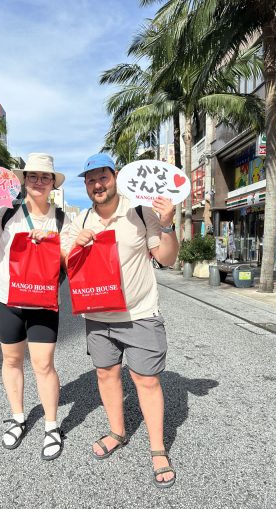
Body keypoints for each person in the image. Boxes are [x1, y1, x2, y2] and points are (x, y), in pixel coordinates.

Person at [68, 153, 179, 488]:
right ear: (85, 185)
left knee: (146, 381)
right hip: (97, 315)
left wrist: (169, 224)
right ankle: (118, 431)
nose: (97, 185)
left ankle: (158, 449)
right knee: (106, 374)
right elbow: (63, 259)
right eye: (90, 180)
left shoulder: (141, 211)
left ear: (115, 176)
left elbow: (167, 259)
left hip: (139, 313)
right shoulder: (81, 219)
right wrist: (75, 244)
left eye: (103, 177)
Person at [0, 153, 71, 460]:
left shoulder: (62, 220)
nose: (39, 182)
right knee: (12, 360)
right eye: (33, 177)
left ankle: (51, 425)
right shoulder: (6, 214)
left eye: (46, 178)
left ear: (53, 184)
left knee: (43, 364)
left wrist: (51, 244)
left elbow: (71, 262)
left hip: (43, 300)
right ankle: (17, 418)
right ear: (24, 181)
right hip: (7, 298)